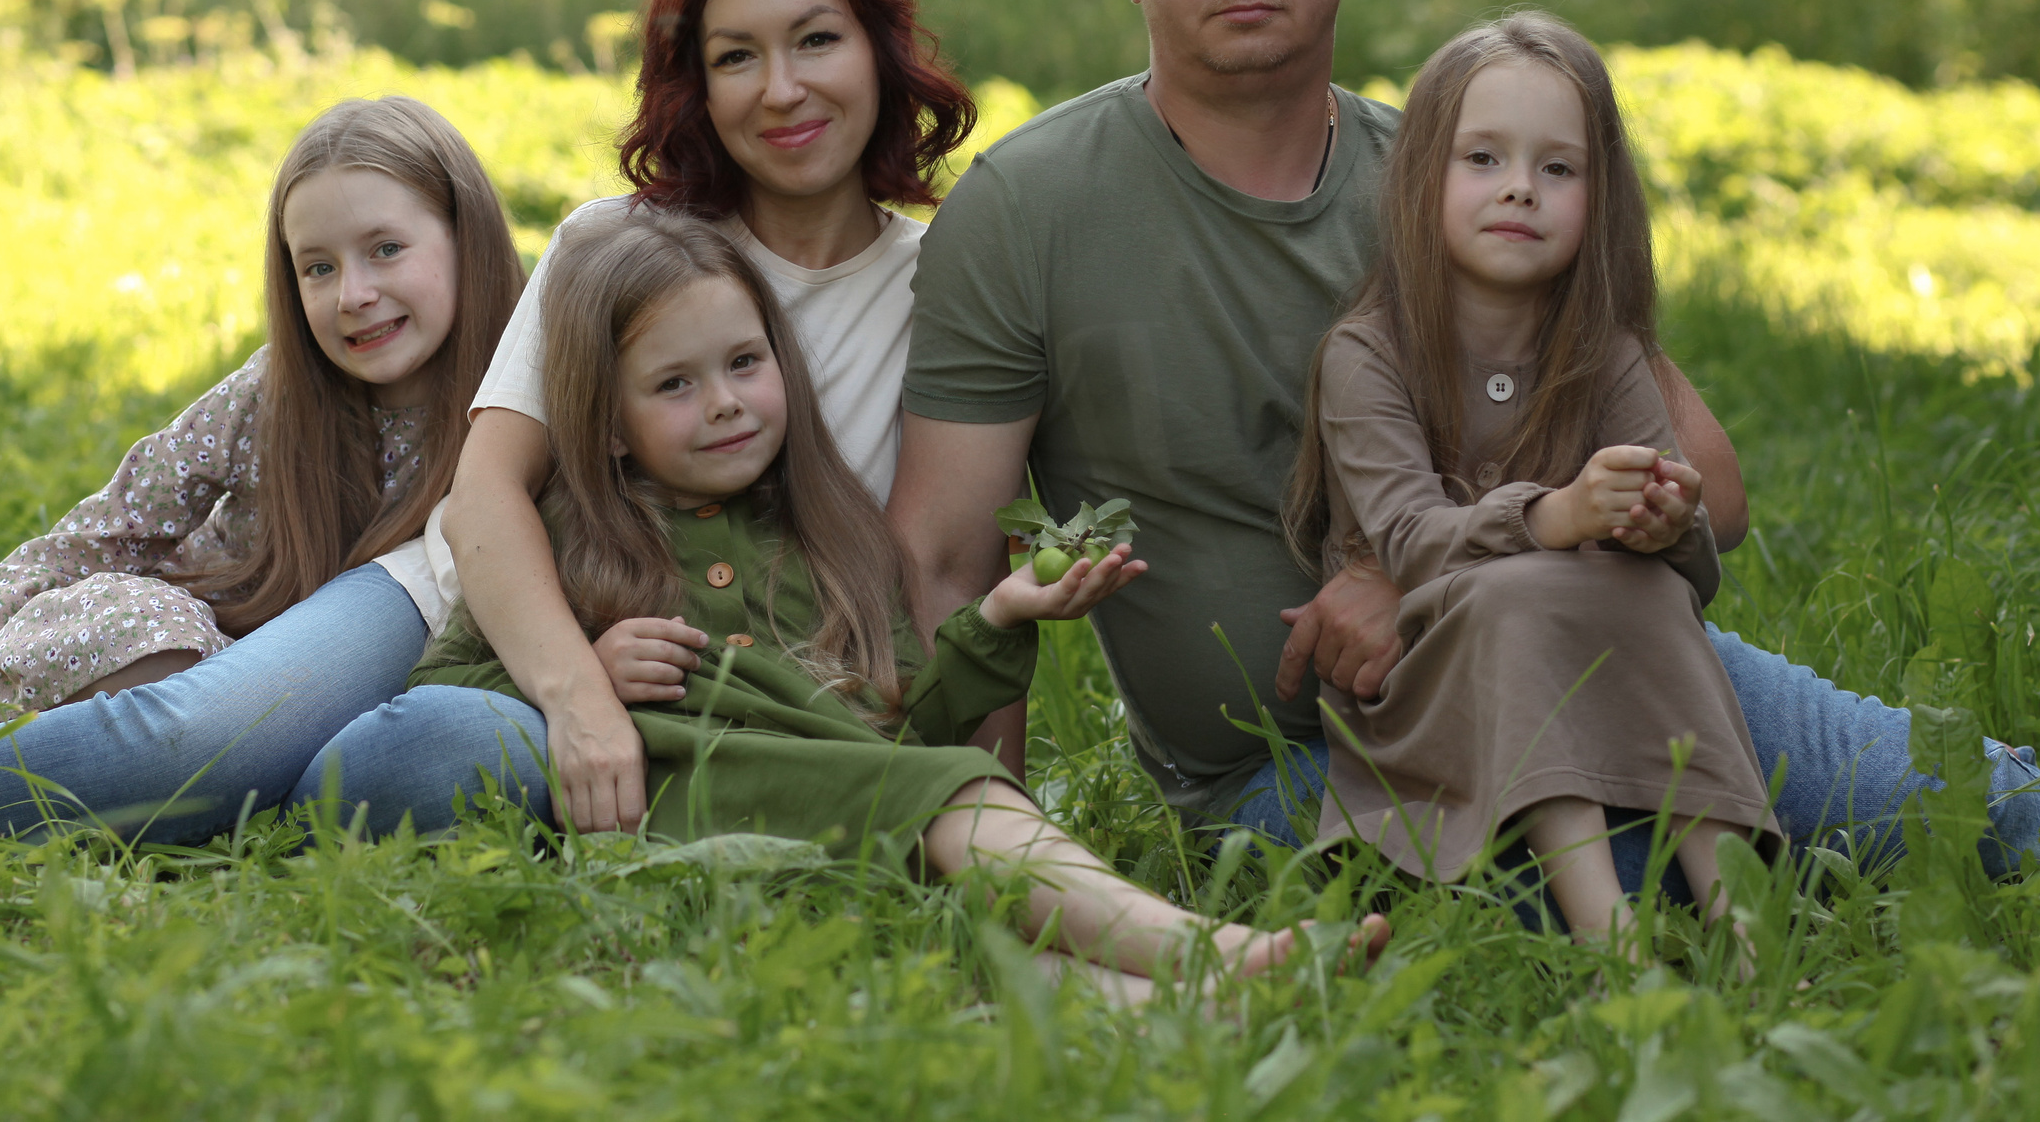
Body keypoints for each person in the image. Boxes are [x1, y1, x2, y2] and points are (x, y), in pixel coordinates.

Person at [892, 0, 2040, 896]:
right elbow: (948, 564)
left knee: (1954, 815)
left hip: (1582, 666)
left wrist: (1412, 565)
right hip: (1295, 771)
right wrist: (1003, 856)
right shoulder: (1028, 211)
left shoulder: (1470, 182)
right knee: (1695, 868)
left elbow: (1710, 488)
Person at [400, 207, 1381, 992]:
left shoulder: (825, 540)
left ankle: (1202, 1005)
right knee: (955, 796)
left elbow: (901, 717)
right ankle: (1207, 950)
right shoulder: (576, 545)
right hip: (706, 847)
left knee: (966, 938)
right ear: (607, 426)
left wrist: (998, 620)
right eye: (675, 385)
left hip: (844, 849)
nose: (728, 402)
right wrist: (580, 680)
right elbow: (452, 691)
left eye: (744, 364)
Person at [303, 0, 973, 832]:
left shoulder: (944, 290)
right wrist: (578, 693)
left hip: (678, 697)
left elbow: (950, 580)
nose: (783, 89)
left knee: (411, 765)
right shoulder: (618, 240)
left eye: (818, 38)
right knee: (190, 737)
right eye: (737, 55)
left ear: (881, 44)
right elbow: (485, 493)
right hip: (467, 605)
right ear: (696, 81)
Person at [0, 96, 522, 842]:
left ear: (464, 234)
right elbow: (82, 544)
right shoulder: (274, 396)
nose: (353, 295)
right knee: (162, 644)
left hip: (317, 699)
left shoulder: (519, 407)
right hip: (185, 663)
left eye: (386, 249)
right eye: (317, 266)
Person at [1287, 11, 1775, 947]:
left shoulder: (1604, 351)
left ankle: (1746, 926)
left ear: (1600, 197)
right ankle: (1610, 936)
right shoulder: (1368, 354)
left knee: (1653, 597)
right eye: (1483, 159)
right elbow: (1412, 543)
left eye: (1557, 169)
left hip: (1598, 657)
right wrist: (1554, 516)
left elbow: (1692, 563)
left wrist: (1664, 517)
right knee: (1514, 595)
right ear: (1422, 177)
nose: (1520, 189)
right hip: (1429, 688)